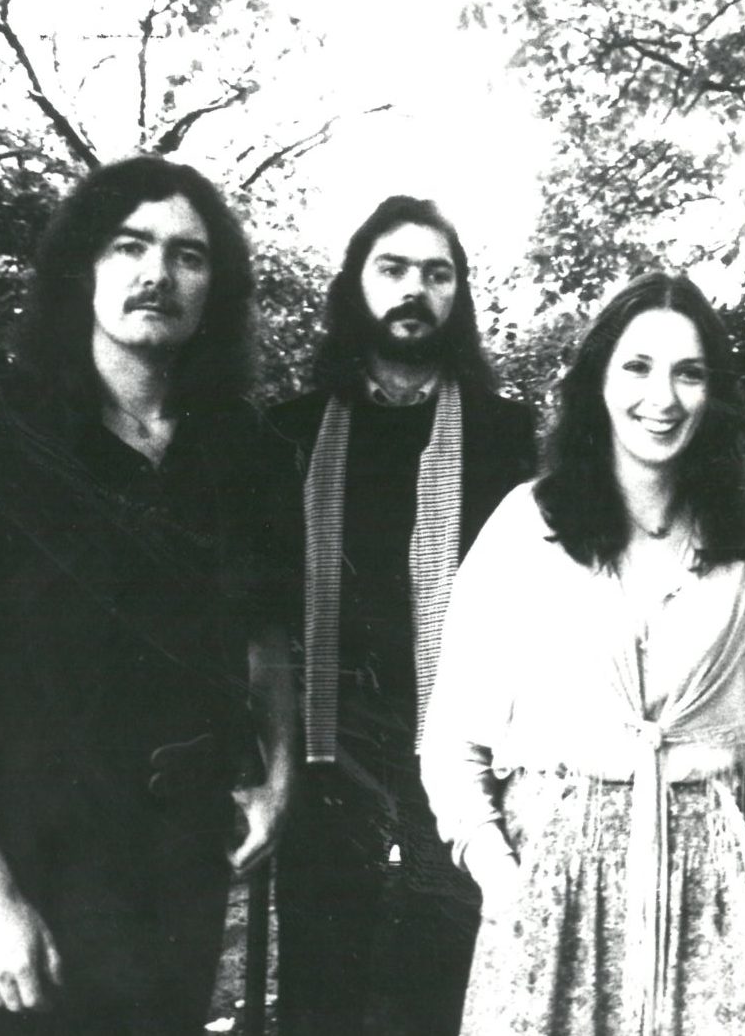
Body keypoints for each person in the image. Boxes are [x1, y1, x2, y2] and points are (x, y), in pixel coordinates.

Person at [0, 157, 299, 1034]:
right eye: (129, 245)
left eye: (188, 255)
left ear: (215, 289)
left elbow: (267, 634)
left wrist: (277, 780)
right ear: (82, 268)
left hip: (185, 854)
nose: (157, 272)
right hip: (41, 855)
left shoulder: (248, 451)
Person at [421, 271, 745, 1035]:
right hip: (554, 888)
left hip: (713, 897)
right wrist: (502, 878)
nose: (662, 397)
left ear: (712, 393)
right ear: (596, 380)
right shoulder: (527, 526)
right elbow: (450, 736)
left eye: (688, 373)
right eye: (637, 366)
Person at [268, 196, 537, 1035]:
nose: (414, 288)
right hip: (324, 750)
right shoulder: (288, 431)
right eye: (392, 268)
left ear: (458, 294)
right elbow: (260, 611)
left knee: (441, 978)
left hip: (458, 749)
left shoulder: (503, 434)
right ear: (356, 284)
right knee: (319, 987)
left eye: (436, 273)